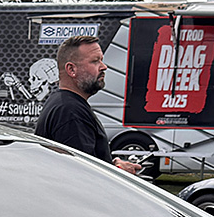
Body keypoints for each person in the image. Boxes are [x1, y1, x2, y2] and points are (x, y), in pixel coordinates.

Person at [34, 35, 140, 174]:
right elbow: (82, 174)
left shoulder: (64, 103)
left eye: (101, 60)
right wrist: (118, 171)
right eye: (95, 61)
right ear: (71, 70)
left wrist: (113, 165)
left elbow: (88, 162)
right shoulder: (70, 112)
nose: (104, 67)